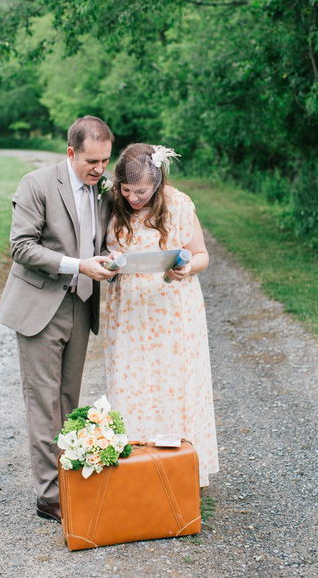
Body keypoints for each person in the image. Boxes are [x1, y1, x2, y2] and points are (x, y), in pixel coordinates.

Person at [0, 116, 117, 523]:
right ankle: (49, 496)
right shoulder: (37, 184)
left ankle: (69, 480)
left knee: (68, 401)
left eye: (105, 160)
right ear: (71, 153)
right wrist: (77, 265)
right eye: (92, 161)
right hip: (40, 307)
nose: (100, 169)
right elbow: (21, 247)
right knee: (43, 403)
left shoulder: (104, 192)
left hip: (81, 306)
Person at [104, 143, 219, 487]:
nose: (133, 198)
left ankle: (178, 474)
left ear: (156, 182)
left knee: (173, 387)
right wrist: (110, 265)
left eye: (140, 191)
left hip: (172, 313)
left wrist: (188, 268)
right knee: (131, 386)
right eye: (126, 190)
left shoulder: (179, 205)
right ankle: (138, 474)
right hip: (128, 315)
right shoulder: (113, 204)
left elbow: (201, 254)